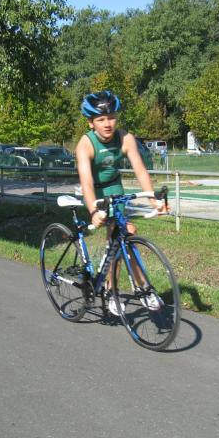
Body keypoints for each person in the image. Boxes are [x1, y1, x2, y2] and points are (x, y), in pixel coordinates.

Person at [75, 90, 166, 316]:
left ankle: (131, 288)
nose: (107, 124)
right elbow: (86, 183)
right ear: (91, 123)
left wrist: (154, 200)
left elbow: (140, 171)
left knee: (123, 235)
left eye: (112, 118)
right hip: (95, 192)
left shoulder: (125, 138)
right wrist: (93, 210)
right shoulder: (85, 145)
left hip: (115, 188)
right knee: (120, 234)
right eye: (101, 119)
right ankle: (115, 290)